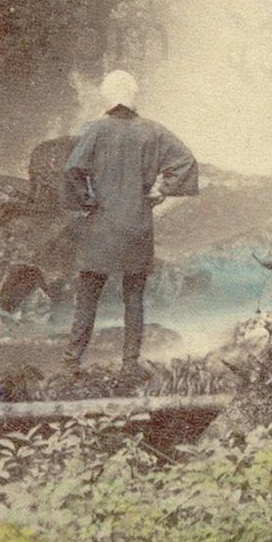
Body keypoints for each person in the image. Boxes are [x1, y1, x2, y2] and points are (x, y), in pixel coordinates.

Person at [63, 69, 200, 383]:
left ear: (107, 98)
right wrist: (162, 190)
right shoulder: (153, 132)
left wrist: (88, 201)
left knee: (87, 296)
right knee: (134, 297)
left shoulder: (95, 130)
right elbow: (186, 161)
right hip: (137, 226)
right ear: (134, 97)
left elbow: (72, 170)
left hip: (101, 228)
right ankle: (129, 363)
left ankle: (71, 364)